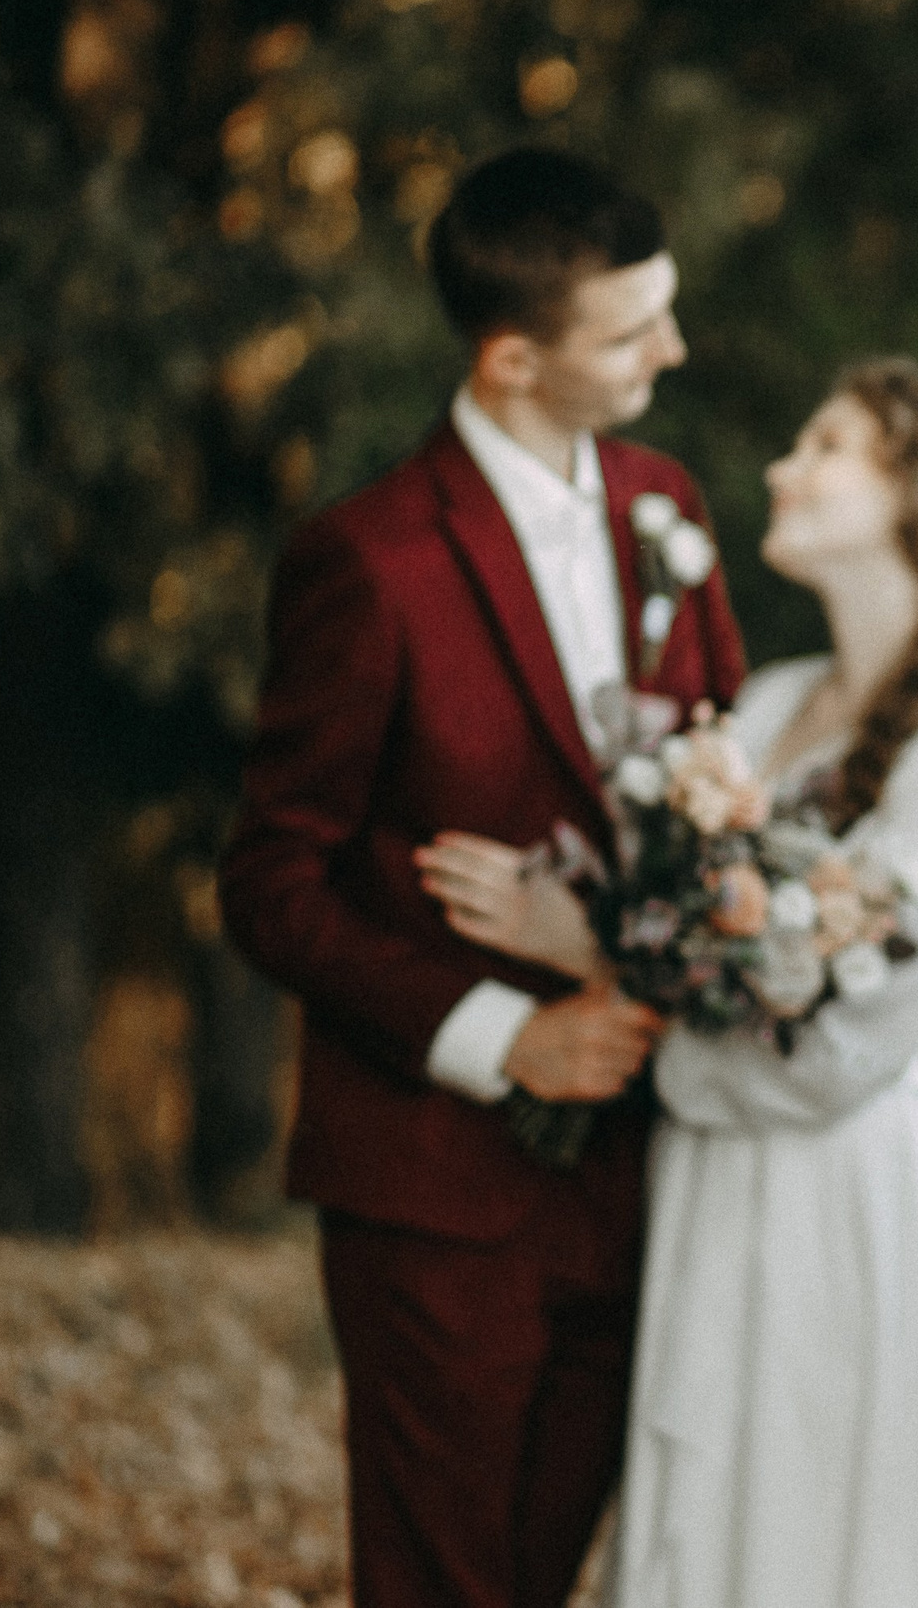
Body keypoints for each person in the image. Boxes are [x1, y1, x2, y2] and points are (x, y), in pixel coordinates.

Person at [216, 147, 746, 1608]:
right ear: (513, 356)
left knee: (541, 1568)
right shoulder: (367, 562)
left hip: (650, 1158)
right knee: (439, 1579)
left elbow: (729, 806)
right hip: (437, 1188)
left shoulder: (666, 508)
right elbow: (270, 881)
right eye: (635, 330)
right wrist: (499, 1032)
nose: (674, 349)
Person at [437, 358, 918, 1608]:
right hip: (713, 1176)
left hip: (852, 1189)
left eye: (822, 443)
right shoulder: (762, 708)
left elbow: (836, 1055)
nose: (780, 467)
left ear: (914, 492)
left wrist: (585, 954)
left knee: (837, 1524)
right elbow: (693, 925)